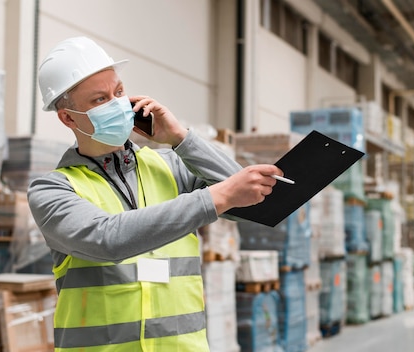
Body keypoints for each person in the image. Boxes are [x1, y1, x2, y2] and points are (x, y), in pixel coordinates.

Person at [28, 36, 283, 351]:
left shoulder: (170, 166)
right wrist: (213, 198)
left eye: (119, 92)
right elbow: (107, 239)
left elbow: (251, 199)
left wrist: (181, 138)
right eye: (99, 99)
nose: (116, 103)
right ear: (68, 117)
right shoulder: (54, 189)